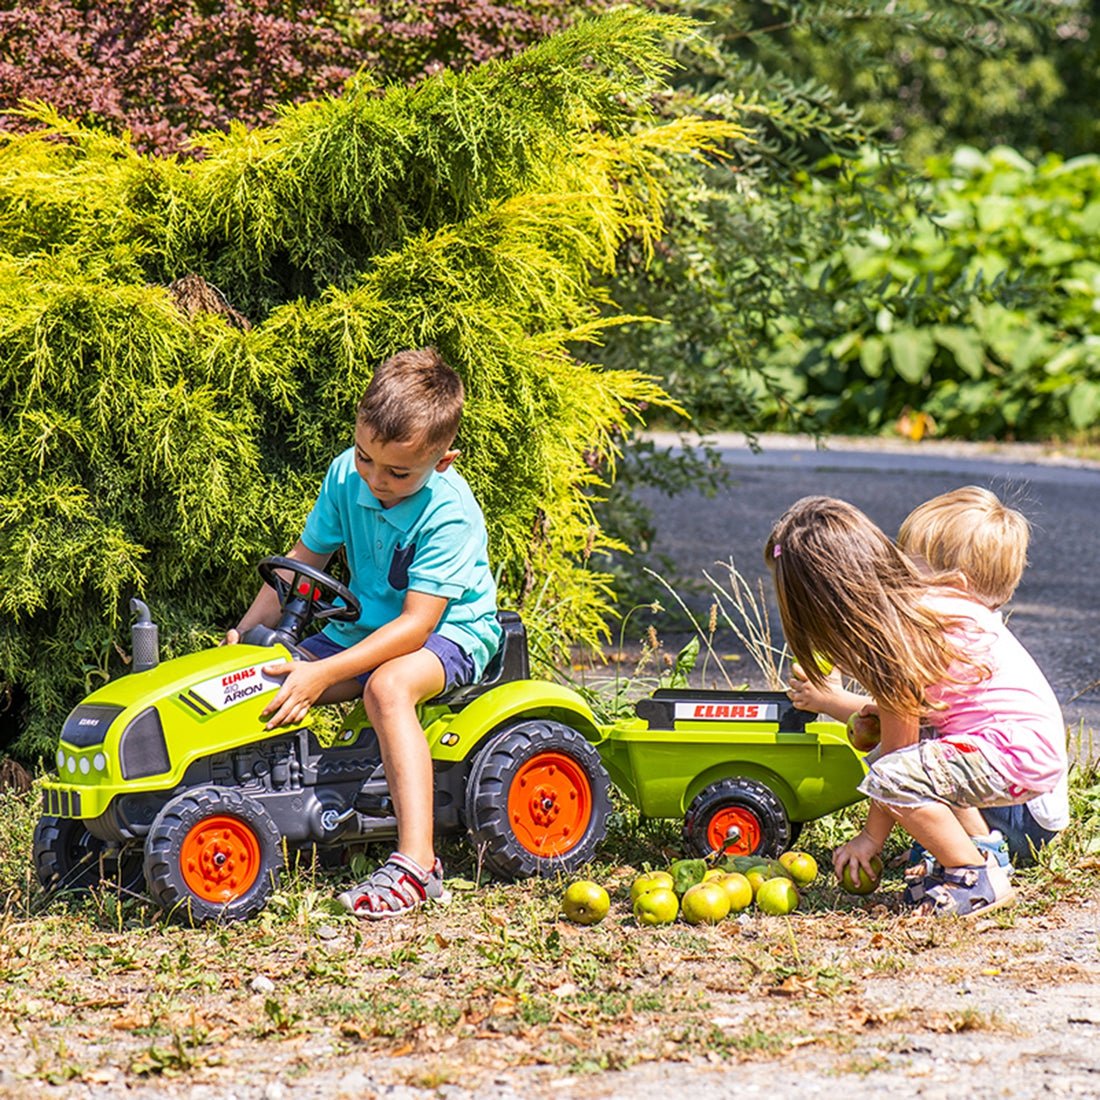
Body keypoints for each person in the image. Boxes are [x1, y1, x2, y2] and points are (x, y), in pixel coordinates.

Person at [227, 347, 501, 919]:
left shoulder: (447, 513)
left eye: (398, 472)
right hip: (366, 627)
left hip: (448, 634)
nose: (376, 479)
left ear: (443, 461)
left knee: (387, 688)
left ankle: (418, 864)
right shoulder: (345, 475)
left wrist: (323, 671)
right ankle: (251, 812)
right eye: (366, 457)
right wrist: (249, 632)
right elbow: (305, 559)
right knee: (256, 678)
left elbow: (416, 625)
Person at [766, 496, 1066, 918]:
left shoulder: (902, 637)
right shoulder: (915, 619)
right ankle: (984, 853)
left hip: (1015, 761)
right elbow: (911, 732)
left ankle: (971, 876)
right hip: (1022, 753)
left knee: (891, 771)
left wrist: (870, 839)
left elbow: (896, 761)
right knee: (916, 754)